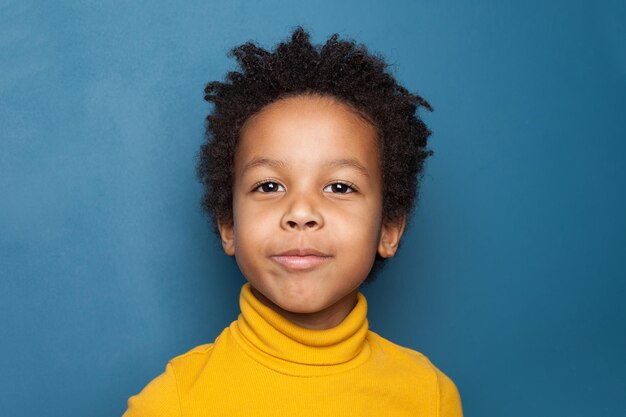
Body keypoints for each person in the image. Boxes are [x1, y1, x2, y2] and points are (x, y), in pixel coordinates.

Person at [123, 26, 463, 417]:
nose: (301, 213)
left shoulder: (429, 396)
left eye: (339, 186)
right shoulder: (172, 403)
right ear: (228, 226)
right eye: (269, 185)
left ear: (389, 229)